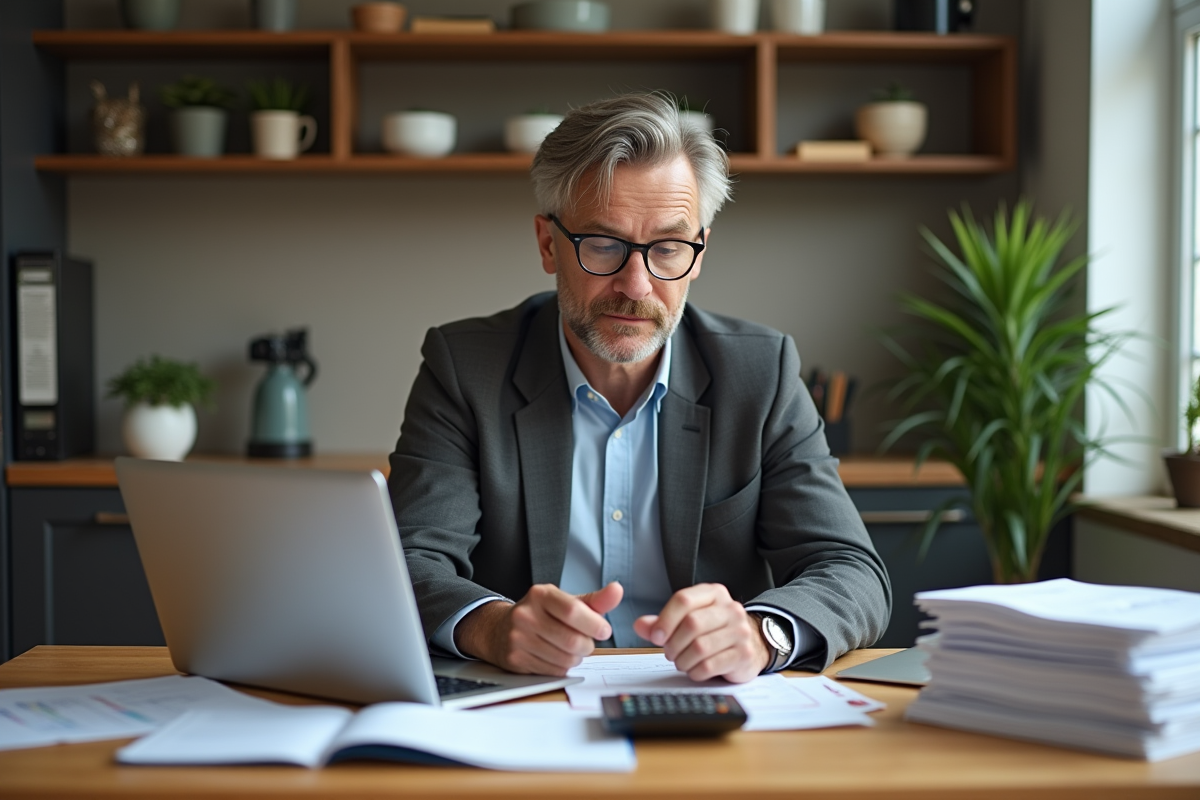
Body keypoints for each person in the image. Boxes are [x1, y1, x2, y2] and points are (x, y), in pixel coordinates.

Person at [389, 93, 890, 684]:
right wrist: (491, 625)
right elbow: (406, 565)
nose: (637, 284)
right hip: (530, 703)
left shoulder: (762, 372)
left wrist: (761, 633)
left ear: (699, 252)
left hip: (707, 706)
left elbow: (852, 570)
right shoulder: (465, 368)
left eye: (668, 248)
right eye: (603, 244)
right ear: (549, 244)